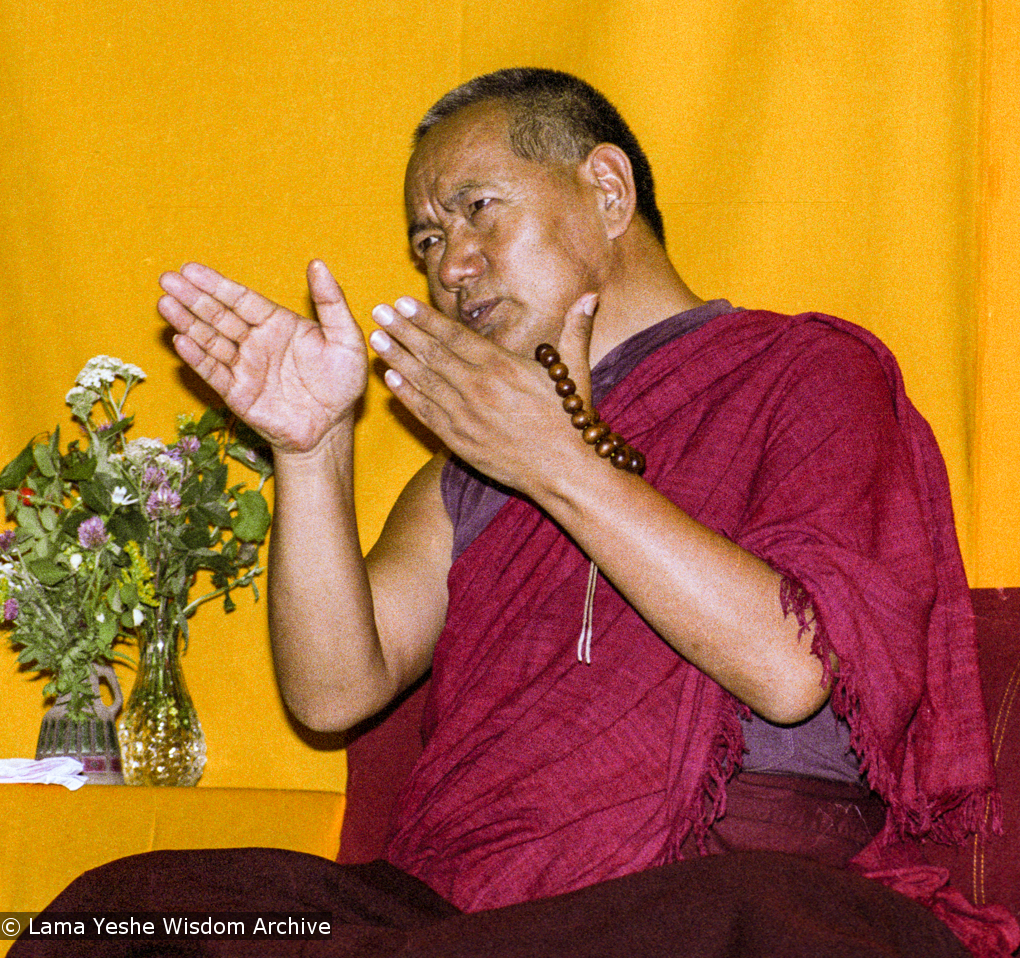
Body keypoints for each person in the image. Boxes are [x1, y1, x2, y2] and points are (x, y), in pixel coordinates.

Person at [11, 68, 1017, 958]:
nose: (448, 265)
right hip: (461, 902)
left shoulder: (806, 375)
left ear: (607, 188)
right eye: (426, 240)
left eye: (476, 208)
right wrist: (311, 449)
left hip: (697, 884)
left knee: (745, 921)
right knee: (130, 911)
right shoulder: (470, 468)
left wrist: (556, 461)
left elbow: (793, 670)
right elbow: (331, 693)